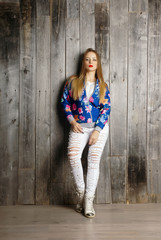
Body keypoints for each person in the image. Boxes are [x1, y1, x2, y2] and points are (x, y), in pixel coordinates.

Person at [61, 48, 111, 218]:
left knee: (93, 161)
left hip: (99, 128)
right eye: (87, 59)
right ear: (83, 62)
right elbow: (65, 102)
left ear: (98, 64)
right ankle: (82, 195)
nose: (91, 62)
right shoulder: (73, 82)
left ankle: (89, 202)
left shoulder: (103, 86)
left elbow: (106, 109)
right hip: (79, 126)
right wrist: (72, 121)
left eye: (94, 59)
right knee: (73, 155)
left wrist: (97, 130)